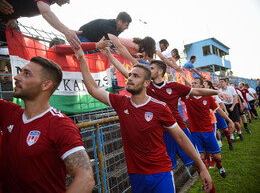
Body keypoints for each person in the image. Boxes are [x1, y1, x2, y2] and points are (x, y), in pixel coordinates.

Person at [74, 47, 213, 193]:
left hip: (161, 174)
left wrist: (202, 167)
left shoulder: (160, 107)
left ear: (146, 83)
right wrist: (82, 59)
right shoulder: (121, 103)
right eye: (130, 75)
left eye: (135, 76)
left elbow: (181, 138)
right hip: (136, 176)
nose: (130, 78)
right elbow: (94, 89)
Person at [0, 56, 95, 192]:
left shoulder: (60, 125)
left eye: (26, 74)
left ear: (45, 85)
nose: (17, 77)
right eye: (20, 72)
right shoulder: (9, 113)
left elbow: (85, 178)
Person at [182, 77, 234, 179]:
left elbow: (218, 110)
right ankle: (206, 179)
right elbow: (173, 90)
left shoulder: (208, 97)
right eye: (192, 83)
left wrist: (229, 120)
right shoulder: (187, 97)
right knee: (200, 158)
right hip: (195, 132)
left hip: (208, 131)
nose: (192, 85)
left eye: (195, 83)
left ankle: (220, 166)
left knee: (217, 157)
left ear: (201, 86)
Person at [0, 0, 81, 48]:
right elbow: (46, 12)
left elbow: (20, 4)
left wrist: (15, 17)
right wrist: (67, 31)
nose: (68, 2)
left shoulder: (47, 2)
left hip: (6, 20)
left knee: (18, 47)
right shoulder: (44, 5)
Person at [204, 80, 233, 150]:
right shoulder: (201, 93)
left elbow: (221, 103)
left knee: (225, 129)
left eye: (205, 83)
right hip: (210, 115)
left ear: (209, 86)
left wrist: (225, 111)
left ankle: (229, 141)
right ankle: (219, 142)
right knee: (215, 130)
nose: (203, 84)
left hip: (217, 113)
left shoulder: (213, 93)